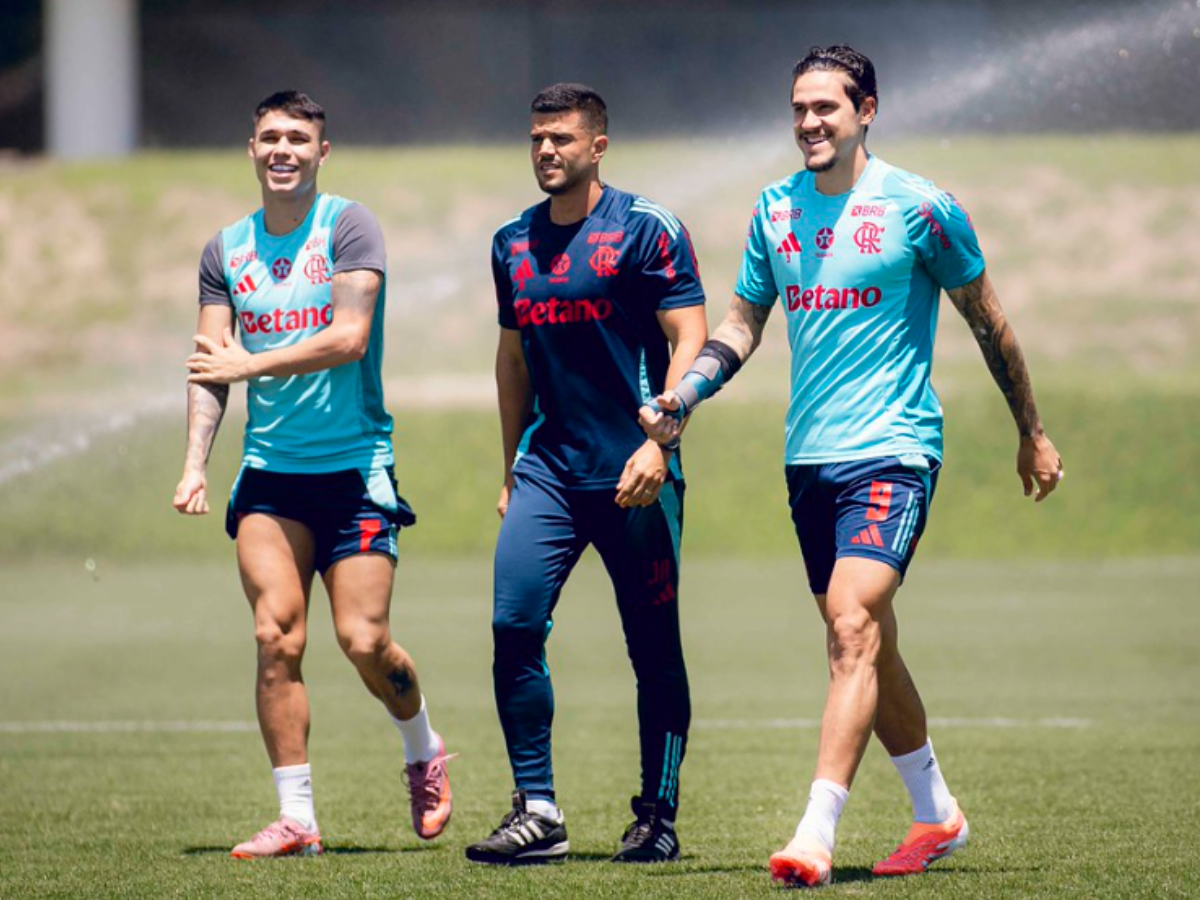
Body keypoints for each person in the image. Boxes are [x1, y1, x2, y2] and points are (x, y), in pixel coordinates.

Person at [640, 46, 1063, 887]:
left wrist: (1033, 430)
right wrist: (683, 395)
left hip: (896, 450)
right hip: (810, 461)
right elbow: (741, 326)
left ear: (867, 110)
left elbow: (990, 320)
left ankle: (815, 833)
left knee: (849, 626)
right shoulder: (776, 211)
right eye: (798, 109)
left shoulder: (922, 208)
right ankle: (936, 812)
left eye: (826, 108)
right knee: (869, 640)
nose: (809, 123)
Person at [173, 90, 453, 858]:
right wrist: (195, 463)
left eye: (299, 137)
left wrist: (250, 362)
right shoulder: (225, 249)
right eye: (270, 137)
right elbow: (210, 366)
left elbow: (350, 336)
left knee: (364, 641)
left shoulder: (348, 226)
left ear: (322, 151)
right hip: (270, 475)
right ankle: (297, 818)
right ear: (252, 148)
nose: (283, 149)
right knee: (275, 637)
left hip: (354, 471)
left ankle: (423, 750)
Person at [464, 83, 708, 866]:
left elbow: (691, 335)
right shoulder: (510, 242)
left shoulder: (647, 229)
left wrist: (662, 444)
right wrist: (510, 470)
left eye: (562, 138)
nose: (546, 150)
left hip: (636, 474)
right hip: (549, 473)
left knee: (652, 647)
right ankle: (538, 811)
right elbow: (511, 360)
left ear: (597, 145)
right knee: (513, 625)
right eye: (537, 137)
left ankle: (657, 816)